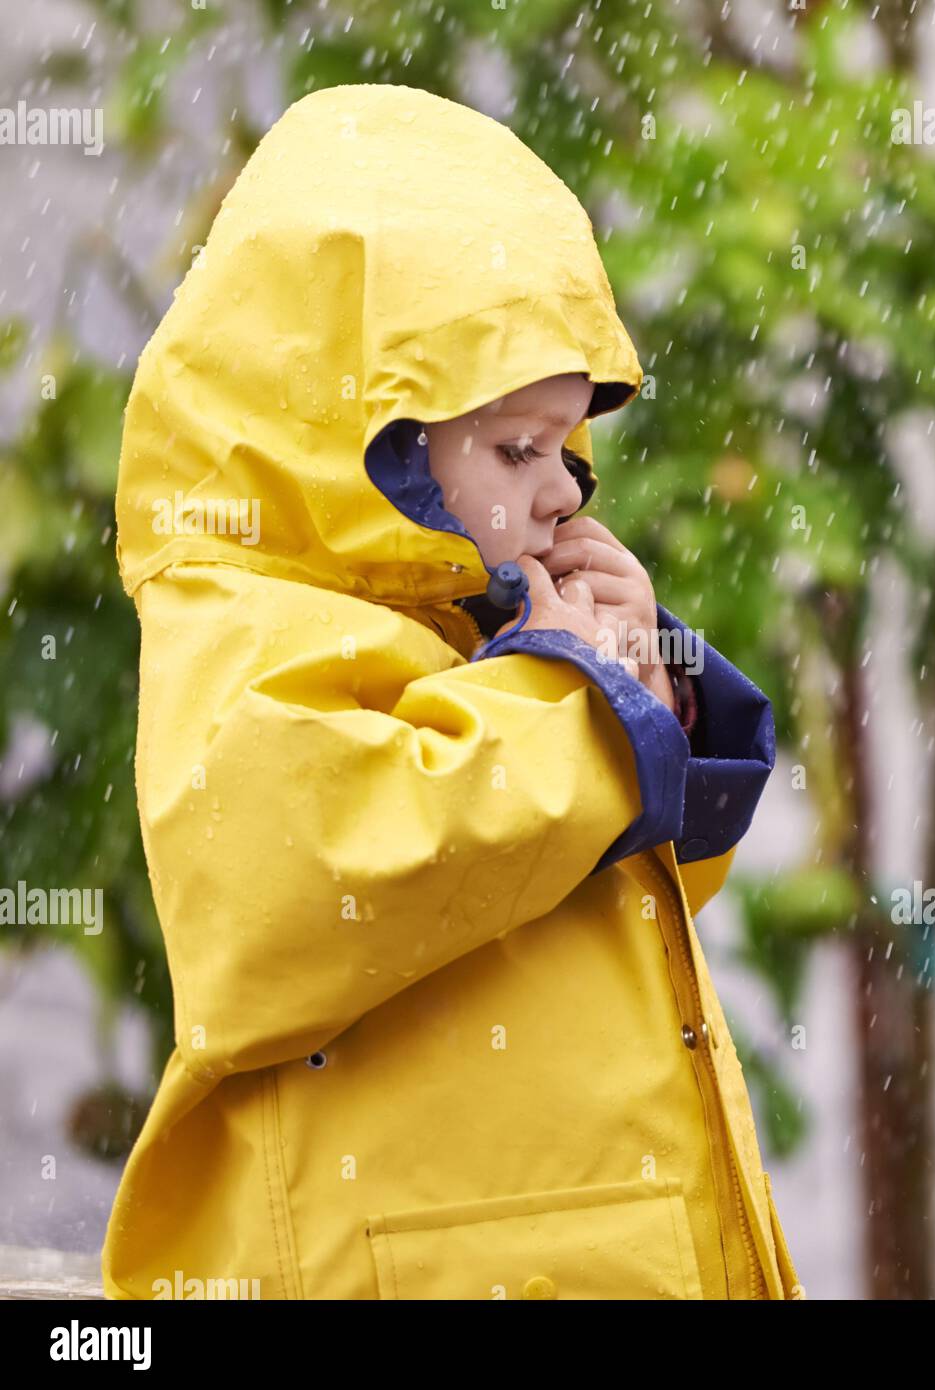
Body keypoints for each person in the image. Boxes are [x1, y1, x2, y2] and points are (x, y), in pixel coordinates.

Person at [104, 83, 803, 1301]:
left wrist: (655, 686)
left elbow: (611, 884)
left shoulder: (481, 619)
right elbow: (317, 878)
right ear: (359, 438)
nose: (567, 493)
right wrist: (591, 707)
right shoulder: (244, 623)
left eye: (568, 445)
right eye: (517, 449)